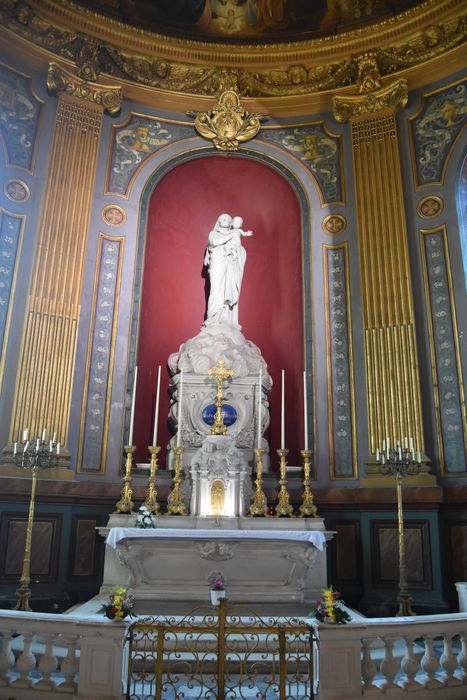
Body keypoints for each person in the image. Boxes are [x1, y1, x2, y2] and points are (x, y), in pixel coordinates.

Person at [204, 213, 253, 325]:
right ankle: (213, 318)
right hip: (217, 265)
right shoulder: (214, 233)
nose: (226, 220)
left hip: (229, 268)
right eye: (223, 218)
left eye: (229, 219)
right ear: (219, 221)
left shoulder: (234, 236)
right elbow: (214, 243)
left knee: (228, 289)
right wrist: (232, 236)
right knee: (216, 290)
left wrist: (235, 252)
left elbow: (241, 252)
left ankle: (226, 319)